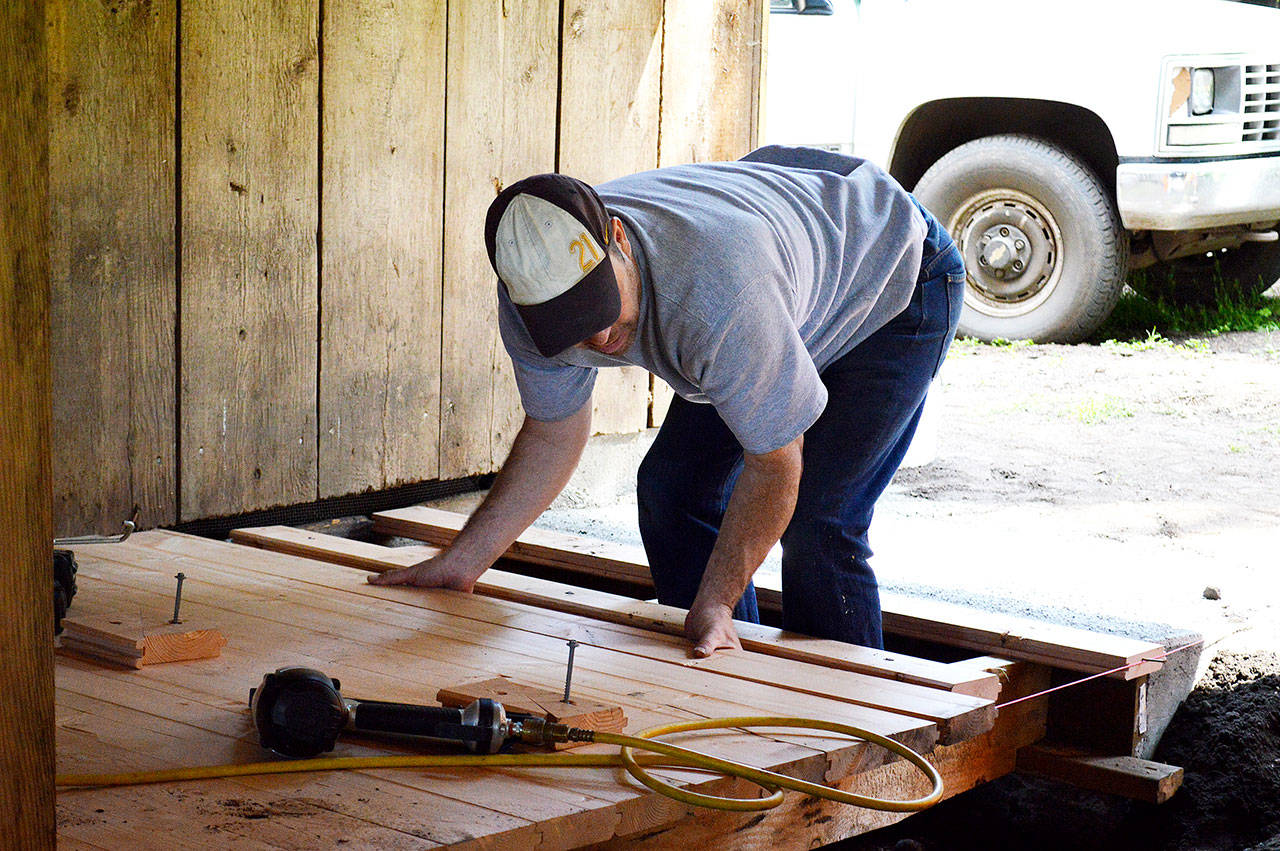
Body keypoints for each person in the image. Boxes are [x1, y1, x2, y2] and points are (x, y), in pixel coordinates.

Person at [372, 145, 966, 657]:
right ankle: (721, 677)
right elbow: (554, 433)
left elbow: (776, 465)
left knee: (819, 518)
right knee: (673, 489)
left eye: (600, 308)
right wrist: (464, 561)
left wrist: (716, 599)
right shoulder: (532, 309)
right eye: (570, 325)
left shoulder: (717, 294)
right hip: (782, 261)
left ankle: (861, 734)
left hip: (893, 270)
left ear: (619, 238)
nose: (598, 340)